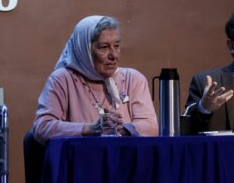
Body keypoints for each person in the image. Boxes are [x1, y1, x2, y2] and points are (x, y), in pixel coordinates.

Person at [32, 15, 158, 143]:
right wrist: (90, 129)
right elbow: (42, 127)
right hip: (81, 160)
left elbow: (150, 126)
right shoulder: (62, 79)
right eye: (104, 47)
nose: (113, 55)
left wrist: (120, 130)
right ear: (85, 50)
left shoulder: (133, 79)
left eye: (117, 45)